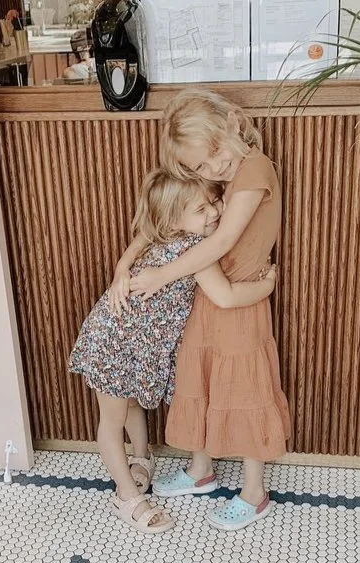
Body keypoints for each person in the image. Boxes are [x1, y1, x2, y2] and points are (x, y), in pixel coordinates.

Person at [70, 167, 277, 534]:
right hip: (113, 344)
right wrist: (266, 287)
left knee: (131, 404)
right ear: (173, 220)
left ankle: (140, 457)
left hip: (132, 343)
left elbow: (143, 235)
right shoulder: (194, 251)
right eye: (201, 210)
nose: (214, 212)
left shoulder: (163, 238)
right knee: (112, 419)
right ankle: (127, 496)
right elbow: (226, 297)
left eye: (214, 201)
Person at [123, 89, 291, 531]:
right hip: (205, 290)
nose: (211, 169)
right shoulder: (222, 175)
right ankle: (202, 470)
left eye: (213, 155)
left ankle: (254, 492)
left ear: (234, 123)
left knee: (245, 387)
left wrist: (161, 275)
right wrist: (126, 261)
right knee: (198, 376)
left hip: (237, 295)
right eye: (199, 166)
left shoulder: (253, 169)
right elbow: (166, 213)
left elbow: (221, 242)